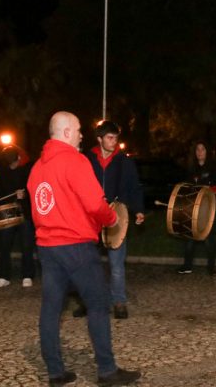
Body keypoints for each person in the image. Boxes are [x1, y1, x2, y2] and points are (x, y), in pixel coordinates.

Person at [27, 111, 141, 386]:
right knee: (99, 304)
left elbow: (38, 206)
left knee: (51, 309)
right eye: (78, 129)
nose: (81, 135)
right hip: (76, 246)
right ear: (66, 132)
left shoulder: (37, 168)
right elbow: (94, 204)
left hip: (47, 247)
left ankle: (55, 372)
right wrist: (112, 218)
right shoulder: (75, 161)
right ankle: (107, 370)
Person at [76, 120, 145, 320]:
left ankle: (119, 302)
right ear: (99, 139)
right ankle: (87, 301)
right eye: (109, 138)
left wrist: (138, 210)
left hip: (116, 217)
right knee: (87, 264)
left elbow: (134, 187)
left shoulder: (124, 161)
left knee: (116, 264)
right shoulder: (86, 159)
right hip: (90, 218)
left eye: (116, 138)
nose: (114, 142)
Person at [177, 141, 216, 276]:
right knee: (190, 235)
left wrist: (214, 190)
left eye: (202, 149)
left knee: (209, 237)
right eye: (197, 149)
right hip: (194, 209)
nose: (200, 152)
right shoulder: (191, 169)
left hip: (210, 209)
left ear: (207, 151)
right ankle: (187, 266)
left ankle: (211, 268)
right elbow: (186, 187)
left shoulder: (215, 167)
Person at [0, 145, 37, 288]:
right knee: (4, 244)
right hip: (8, 212)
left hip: (25, 211)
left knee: (26, 245)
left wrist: (25, 194)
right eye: (9, 164)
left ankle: (27, 275)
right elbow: (0, 189)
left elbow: (34, 188)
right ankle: (4, 276)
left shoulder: (28, 168)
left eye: (14, 163)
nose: (13, 166)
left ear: (19, 158)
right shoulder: (3, 169)